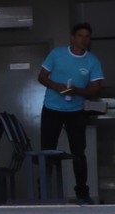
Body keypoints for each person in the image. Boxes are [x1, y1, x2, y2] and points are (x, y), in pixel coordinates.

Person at [37, 22, 106, 203]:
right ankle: (42, 192)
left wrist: (78, 91)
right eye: (80, 36)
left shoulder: (93, 61)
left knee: (78, 152)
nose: (83, 40)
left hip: (75, 111)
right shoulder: (56, 54)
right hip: (51, 109)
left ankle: (82, 192)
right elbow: (41, 76)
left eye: (87, 37)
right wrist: (56, 87)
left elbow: (96, 89)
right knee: (47, 151)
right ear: (73, 38)